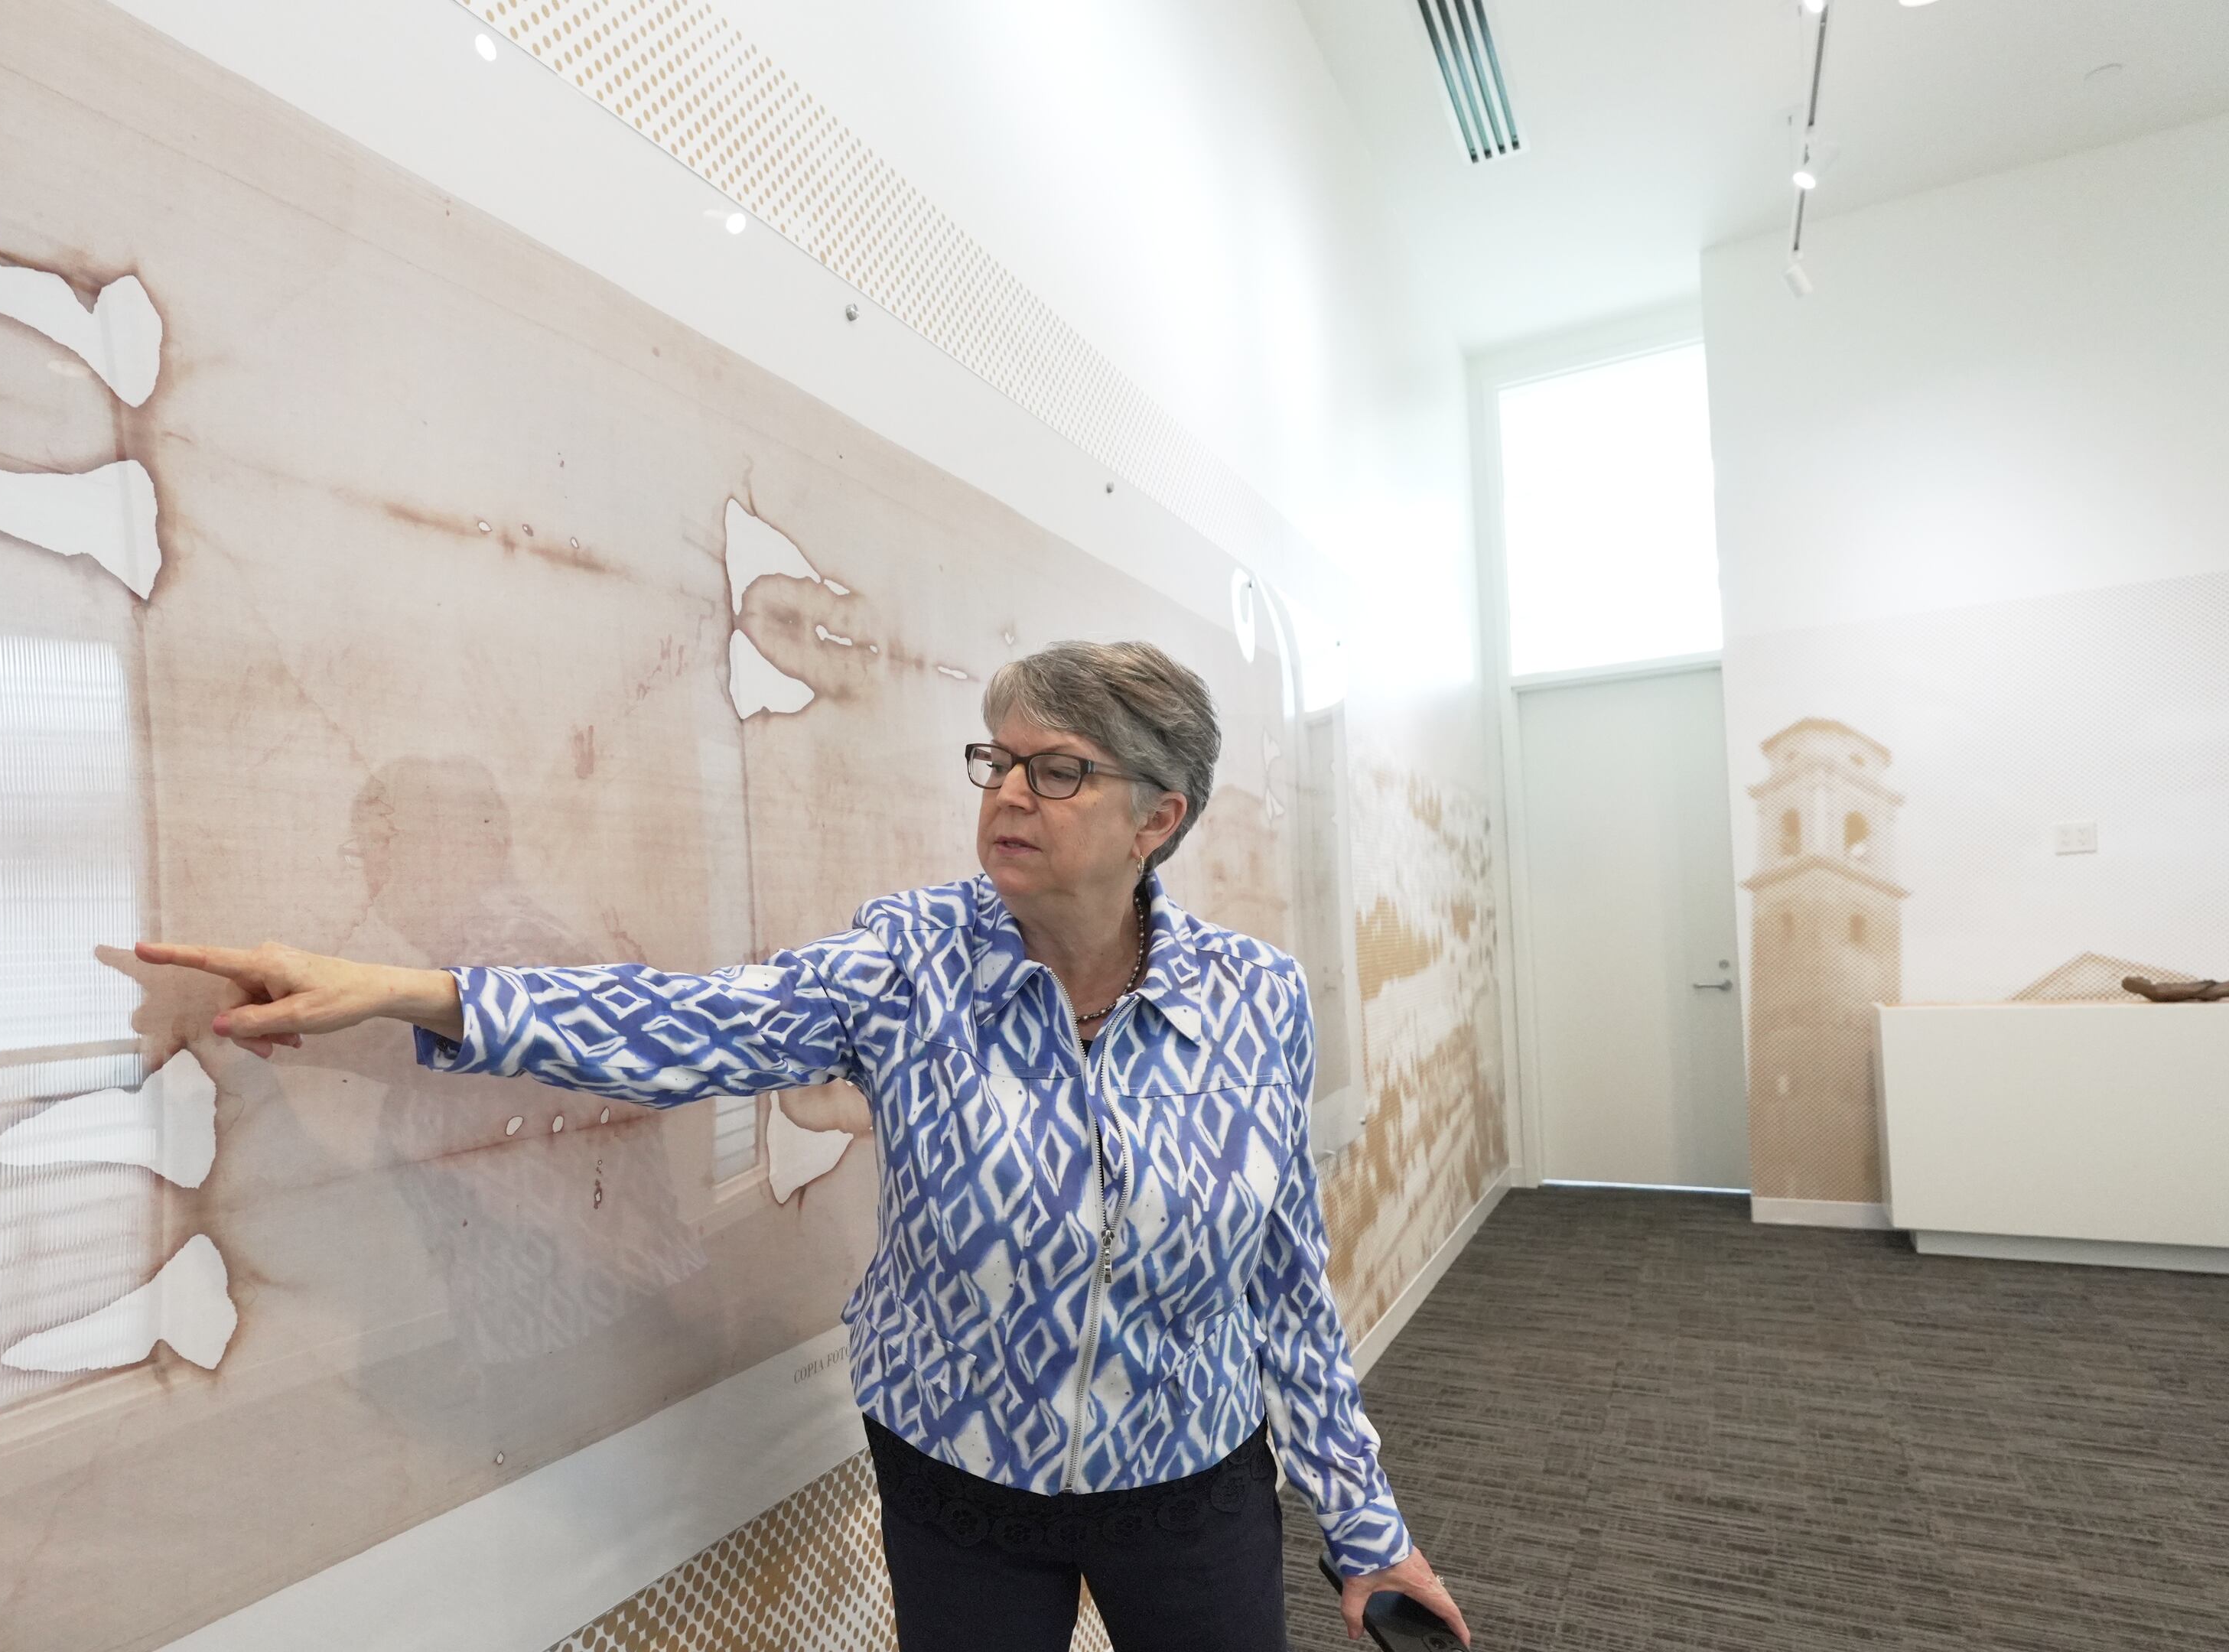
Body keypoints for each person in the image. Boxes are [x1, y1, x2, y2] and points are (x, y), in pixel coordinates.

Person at [138, 640, 1470, 1651]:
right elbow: (686, 1024)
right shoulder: (911, 959)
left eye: (1057, 769)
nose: (1008, 790)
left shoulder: (1255, 1000)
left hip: (1190, 1471)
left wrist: (1368, 1530)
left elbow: (1285, 1288)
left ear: (1159, 818)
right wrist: (409, 991)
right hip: (958, 1474)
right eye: (995, 759)